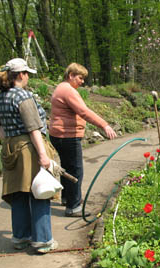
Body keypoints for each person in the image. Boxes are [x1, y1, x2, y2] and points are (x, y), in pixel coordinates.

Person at [0, 58, 58, 254]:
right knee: (40, 192)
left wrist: (7, 138)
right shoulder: (23, 96)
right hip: (29, 148)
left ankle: (20, 237)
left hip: (11, 148)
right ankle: (43, 241)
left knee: (18, 193)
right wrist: (43, 156)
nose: (28, 77)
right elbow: (34, 129)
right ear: (21, 75)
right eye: (27, 73)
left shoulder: (1, 96)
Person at [49, 63, 117, 217]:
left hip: (58, 135)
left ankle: (67, 198)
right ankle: (74, 207)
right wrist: (104, 125)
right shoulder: (68, 90)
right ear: (71, 75)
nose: (82, 81)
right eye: (80, 78)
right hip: (67, 136)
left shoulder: (61, 88)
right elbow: (83, 111)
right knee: (75, 170)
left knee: (66, 168)